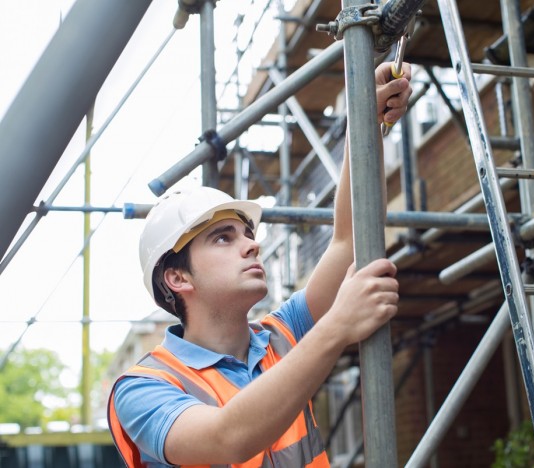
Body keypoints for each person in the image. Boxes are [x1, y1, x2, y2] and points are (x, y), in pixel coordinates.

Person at [108, 61, 412, 467]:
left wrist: (366, 121)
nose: (252, 247)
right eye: (223, 238)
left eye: (248, 235)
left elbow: (349, 240)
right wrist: (337, 326)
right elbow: (225, 438)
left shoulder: (280, 336)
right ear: (177, 277)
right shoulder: (143, 388)